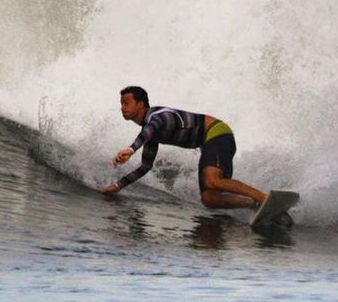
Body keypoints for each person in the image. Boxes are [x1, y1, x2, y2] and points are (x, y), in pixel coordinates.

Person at [99, 85, 267, 210]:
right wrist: (118, 186)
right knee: (209, 198)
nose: (122, 108)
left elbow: (151, 128)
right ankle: (253, 204)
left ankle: (263, 197)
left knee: (212, 181)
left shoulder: (158, 117)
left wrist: (131, 149)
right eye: (121, 103)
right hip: (208, 143)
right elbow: (145, 166)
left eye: (126, 103)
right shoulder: (151, 132)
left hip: (217, 133)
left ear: (141, 104)